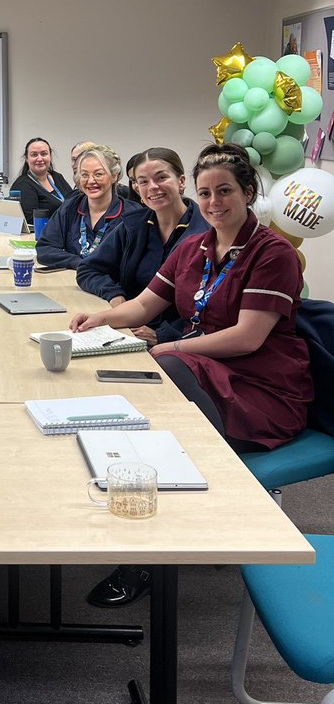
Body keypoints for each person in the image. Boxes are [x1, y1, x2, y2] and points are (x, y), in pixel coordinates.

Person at [71, 144, 313, 609]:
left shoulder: (272, 252)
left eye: (225, 191)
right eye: (205, 193)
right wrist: (100, 319)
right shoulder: (193, 247)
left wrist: (170, 345)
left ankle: (149, 558)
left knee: (161, 386)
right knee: (142, 388)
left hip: (260, 389)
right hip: (205, 371)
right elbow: (145, 305)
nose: (214, 202)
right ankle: (145, 510)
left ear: (248, 193)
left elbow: (246, 338)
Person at [76, 148, 208, 346]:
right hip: (129, 328)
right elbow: (88, 269)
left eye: (161, 177)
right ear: (136, 188)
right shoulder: (132, 226)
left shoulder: (206, 234)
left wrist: (164, 335)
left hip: (181, 343)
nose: (152, 187)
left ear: (181, 181)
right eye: (143, 181)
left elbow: (209, 305)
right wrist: (116, 297)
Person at [34, 144, 139, 269]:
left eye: (98, 174)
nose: (90, 181)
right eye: (84, 175)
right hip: (71, 282)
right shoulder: (70, 208)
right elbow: (45, 249)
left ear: (114, 176)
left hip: (109, 285)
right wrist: (79, 263)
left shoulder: (132, 215)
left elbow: (132, 264)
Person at [9, 137, 74, 222]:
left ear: (50, 156)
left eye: (44, 154)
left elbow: (73, 201)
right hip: (46, 234)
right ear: (26, 159)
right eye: (34, 155)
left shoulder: (57, 177)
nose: (40, 159)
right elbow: (32, 221)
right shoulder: (22, 185)